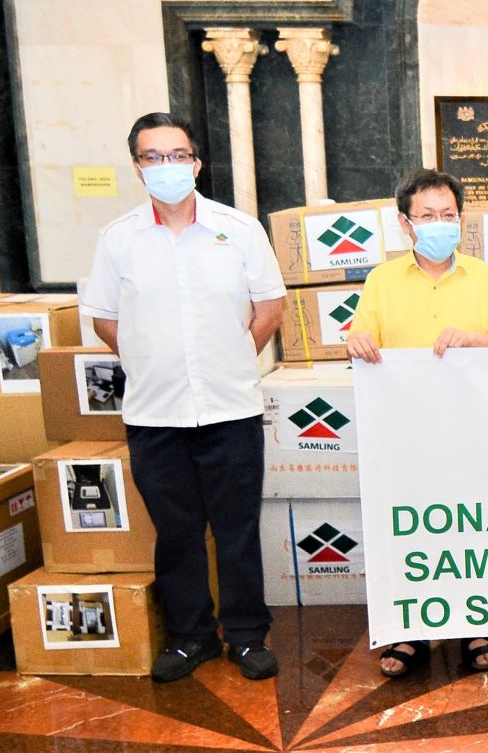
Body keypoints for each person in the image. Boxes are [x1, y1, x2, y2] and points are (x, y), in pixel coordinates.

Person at [80, 113, 286, 683]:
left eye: (177, 155)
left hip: (230, 408)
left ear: (196, 163)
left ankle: (246, 635)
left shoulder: (239, 230)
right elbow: (105, 319)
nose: (166, 166)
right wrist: (149, 359)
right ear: (137, 167)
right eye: (153, 157)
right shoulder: (118, 239)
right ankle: (190, 636)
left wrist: (232, 356)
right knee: (176, 534)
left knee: (237, 531)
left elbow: (270, 309)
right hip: (155, 414)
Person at [346, 168, 488, 677]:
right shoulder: (381, 280)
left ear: (461, 219)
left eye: (448, 215)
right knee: (410, 529)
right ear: (405, 223)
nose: (439, 224)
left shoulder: (483, 277)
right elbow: (360, 339)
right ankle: (410, 629)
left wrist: (472, 338)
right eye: (427, 216)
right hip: (405, 432)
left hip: (472, 429)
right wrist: (357, 342)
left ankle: (477, 625)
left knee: (473, 526)